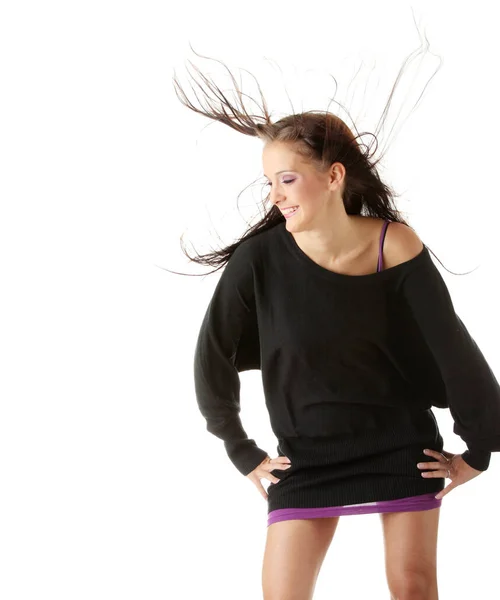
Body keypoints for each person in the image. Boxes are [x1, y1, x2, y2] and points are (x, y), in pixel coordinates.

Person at [179, 48, 500, 599]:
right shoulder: (258, 260)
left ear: (333, 176)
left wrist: (480, 446)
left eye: (286, 179)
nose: (275, 195)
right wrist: (241, 449)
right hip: (304, 457)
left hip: (401, 446)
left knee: (414, 587)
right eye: (269, 183)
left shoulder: (392, 244)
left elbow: (452, 346)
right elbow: (211, 354)